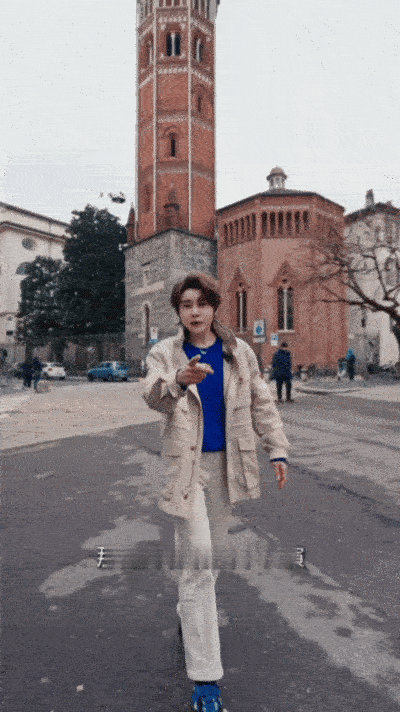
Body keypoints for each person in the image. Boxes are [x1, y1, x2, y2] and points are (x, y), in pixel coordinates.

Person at [142, 274, 290, 712]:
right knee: (200, 565)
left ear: (214, 307)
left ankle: (189, 613)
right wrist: (178, 379)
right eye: (186, 304)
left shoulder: (238, 352)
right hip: (187, 471)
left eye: (202, 303)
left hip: (227, 468)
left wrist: (277, 449)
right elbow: (152, 395)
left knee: (211, 560)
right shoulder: (165, 352)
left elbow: (261, 402)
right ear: (178, 311)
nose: (195, 311)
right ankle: (206, 680)